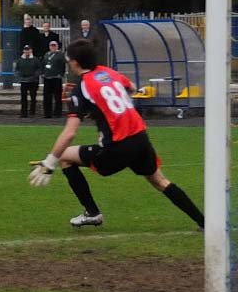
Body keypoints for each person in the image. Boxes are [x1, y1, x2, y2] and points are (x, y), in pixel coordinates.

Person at [28, 39, 205, 229]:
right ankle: (204, 222)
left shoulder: (83, 87)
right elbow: (131, 88)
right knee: (160, 181)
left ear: (75, 63)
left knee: (64, 157)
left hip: (118, 146)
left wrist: (49, 162)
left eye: (68, 60)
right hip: (140, 138)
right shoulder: (108, 72)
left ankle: (92, 213)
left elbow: (70, 132)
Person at [15, 44, 41, 117]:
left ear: (31, 50)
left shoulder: (35, 59)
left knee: (33, 97)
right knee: (23, 98)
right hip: (23, 81)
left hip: (33, 81)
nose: (27, 51)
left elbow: (39, 69)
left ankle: (32, 112)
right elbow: (17, 69)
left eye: (28, 49)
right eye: (25, 50)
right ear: (23, 51)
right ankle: (24, 113)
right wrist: (20, 77)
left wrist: (34, 76)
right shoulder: (20, 60)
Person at [42, 40, 66, 118]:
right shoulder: (46, 54)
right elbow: (43, 64)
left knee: (57, 96)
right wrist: (43, 73)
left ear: (57, 46)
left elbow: (63, 65)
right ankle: (47, 113)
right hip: (47, 77)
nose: (53, 47)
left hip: (56, 77)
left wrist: (61, 74)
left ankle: (57, 113)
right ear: (49, 46)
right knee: (47, 97)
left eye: (54, 45)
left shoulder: (61, 54)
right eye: (51, 45)